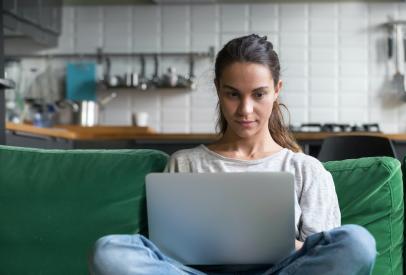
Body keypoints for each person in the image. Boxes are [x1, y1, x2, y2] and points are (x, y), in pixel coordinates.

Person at [90, 34, 376, 275]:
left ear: (277, 91)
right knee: (110, 251)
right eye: (233, 94)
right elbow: (168, 253)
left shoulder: (305, 169)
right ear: (217, 89)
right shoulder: (185, 163)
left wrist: (278, 244)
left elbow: (321, 253)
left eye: (259, 94)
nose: (245, 110)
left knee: (357, 242)